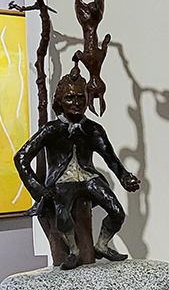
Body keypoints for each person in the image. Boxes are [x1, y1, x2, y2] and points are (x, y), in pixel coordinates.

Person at [14, 70, 141, 270]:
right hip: (62, 180)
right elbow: (21, 157)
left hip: (88, 178)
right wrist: (37, 189)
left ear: (88, 99)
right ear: (60, 101)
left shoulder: (93, 129)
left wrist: (125, 177)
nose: (76, 102)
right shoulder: (51, 130)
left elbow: (110, 158)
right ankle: (74, 251)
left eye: (81, 97)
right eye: (70, 98)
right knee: (62, 212)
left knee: (117, 212)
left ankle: (102, 245)